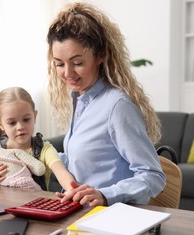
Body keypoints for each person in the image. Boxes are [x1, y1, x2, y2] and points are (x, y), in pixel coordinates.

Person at [46, 2, 166, 207]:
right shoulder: (80, 100)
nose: (67, 73)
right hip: (81, 214)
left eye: (77, 63)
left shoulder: (117, 106)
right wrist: (38, 155)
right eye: (59, 63)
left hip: (112, 220)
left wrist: (104, 194)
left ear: (100, 55)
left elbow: (153, 175)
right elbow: (87, 161)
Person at [0, 86, 75, 192]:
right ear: (0, 124)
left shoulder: (44, 149)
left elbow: (62, 173)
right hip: (2, 207)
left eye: (26, 119)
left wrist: (73, 190)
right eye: (12, 123)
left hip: (36, 206)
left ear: (35, 116)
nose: (20, 127)